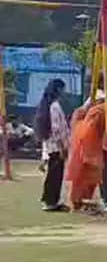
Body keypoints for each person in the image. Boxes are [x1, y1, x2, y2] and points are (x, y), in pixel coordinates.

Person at [64, 91, 107, 211]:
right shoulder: (92, 112)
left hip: (93, 150)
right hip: (89, 150)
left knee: (96, 177)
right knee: (89, 177)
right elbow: (87, 131)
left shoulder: (101, 110)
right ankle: (81, 201)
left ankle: (87, 200)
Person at [34, 79, 70, 212]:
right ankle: (50, 201)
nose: (65, 92)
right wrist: (62, 148)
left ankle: (51, 200)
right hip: (56, 146)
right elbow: (56, 129)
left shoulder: (48, 105)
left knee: (54, 174)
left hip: (52, 146)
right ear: (58, 90)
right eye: (63, 89)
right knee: (55, 175)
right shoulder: (54, 106)